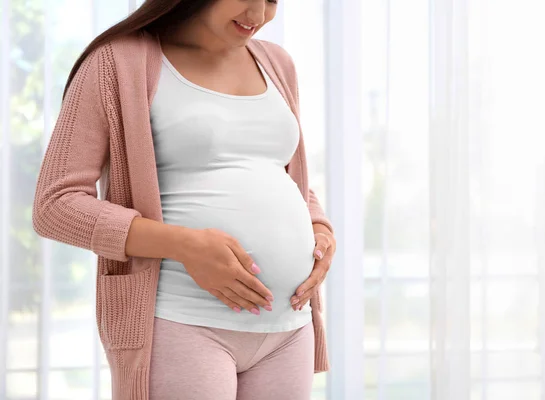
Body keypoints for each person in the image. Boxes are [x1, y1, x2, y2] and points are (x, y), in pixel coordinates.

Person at [31, 0, 337, 399]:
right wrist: (186, 245)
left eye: (273, 0)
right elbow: (56, 205)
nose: (259, 14)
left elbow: (283, 175)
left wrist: (318, 227)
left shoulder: (277, 63)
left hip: (287, 327)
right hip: (181, 320)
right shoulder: (118, 62)